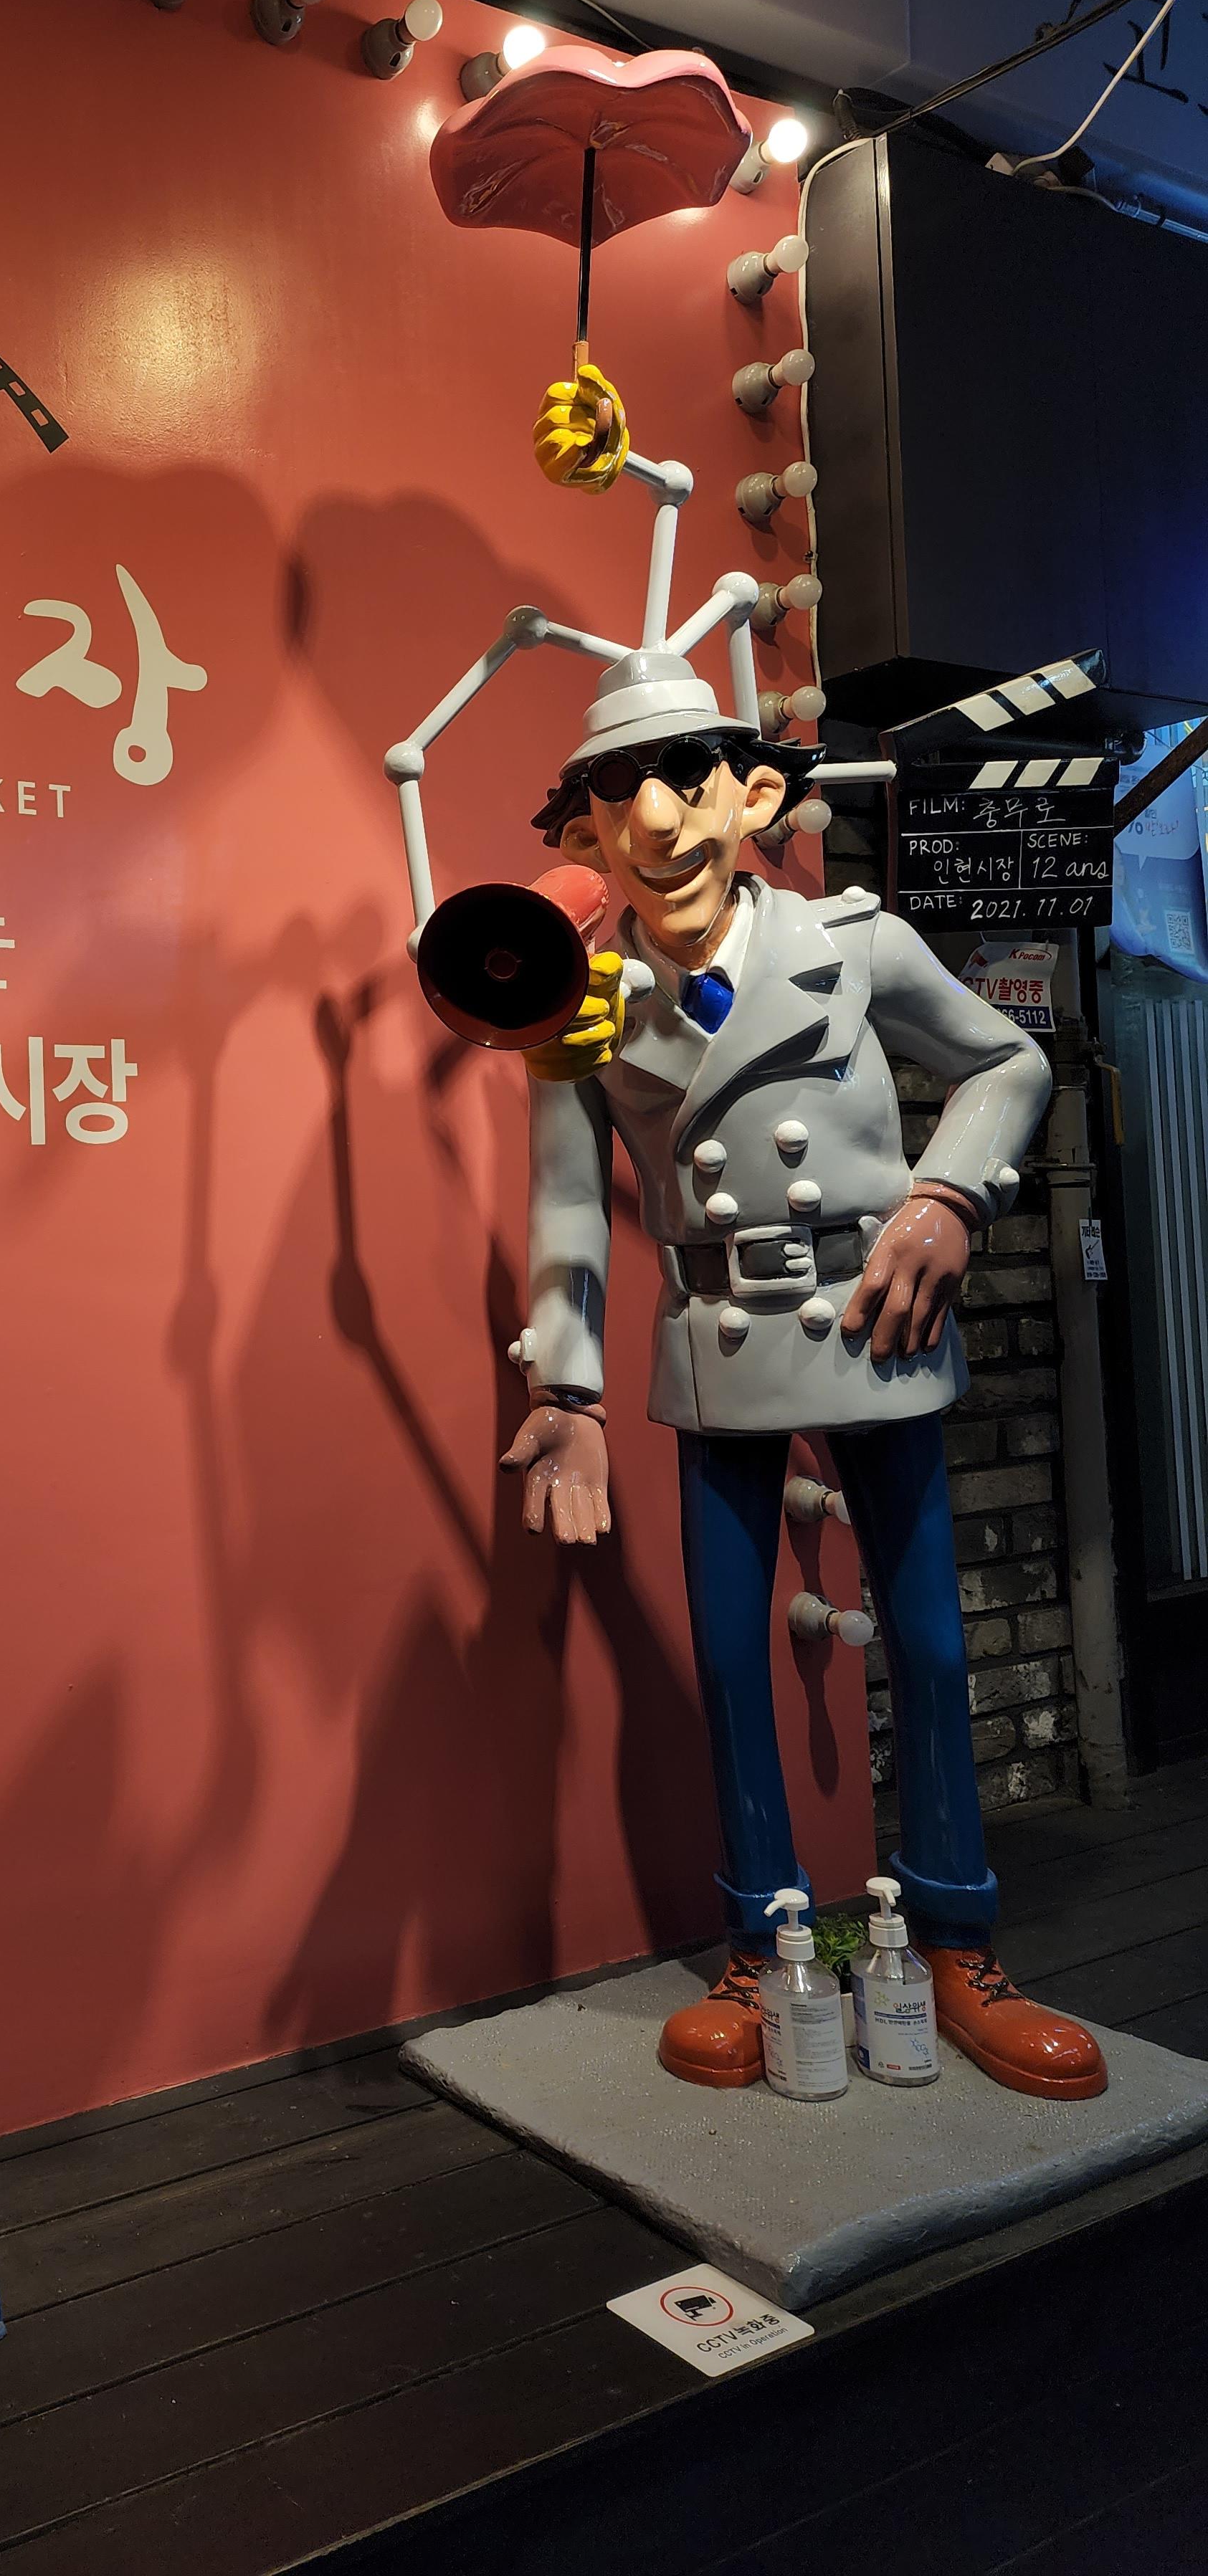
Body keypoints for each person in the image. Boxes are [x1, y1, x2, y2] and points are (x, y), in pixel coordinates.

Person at [502, 637, 1105, 2099]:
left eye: (684, 778)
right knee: (729, 1658)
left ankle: (956, 1938)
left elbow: (1007, 1064)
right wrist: (564, 1390)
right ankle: (764, 1943)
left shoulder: (856, 941)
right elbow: (569, 1204)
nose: (656, 820)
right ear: (585, 831)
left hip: (870, 1318)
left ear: (752, 793)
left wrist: (949, 1196)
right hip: (717, 1339)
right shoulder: (586, 1008)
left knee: (934, 1645)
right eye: (617, 794)